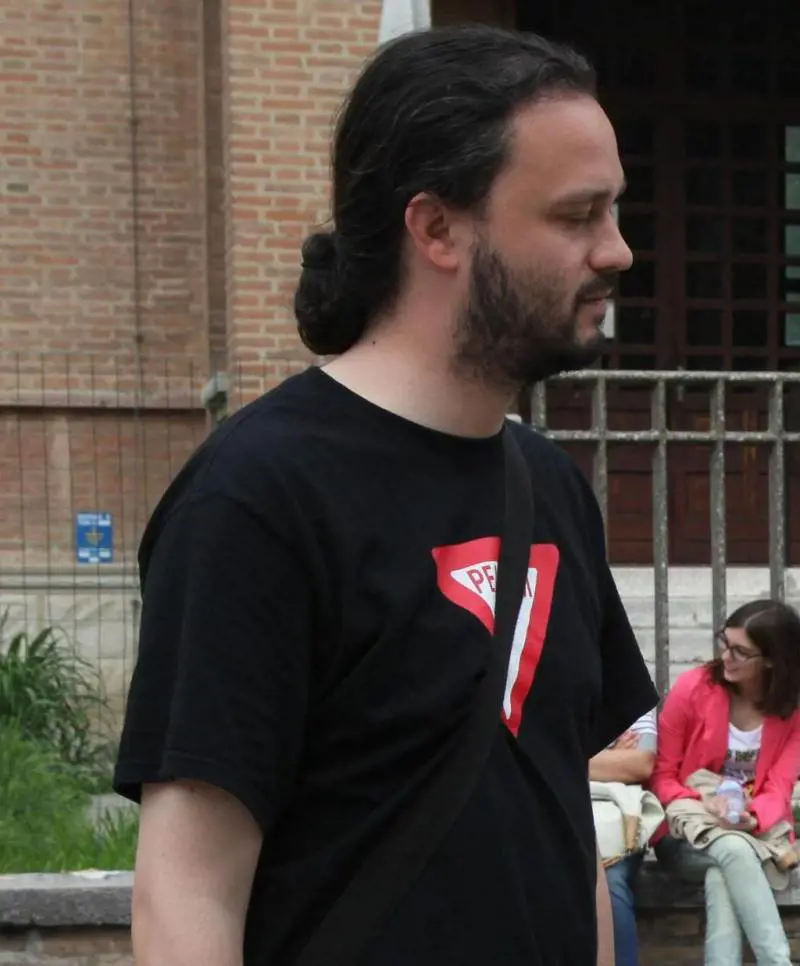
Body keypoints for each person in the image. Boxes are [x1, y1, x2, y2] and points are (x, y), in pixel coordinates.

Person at [114, 24, 657, 966]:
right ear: (436, 228)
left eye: (613, 211)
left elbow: (557, 820)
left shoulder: (550, 489)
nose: (617, 252)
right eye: (577, 216)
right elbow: (187, 894)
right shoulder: (259, 496)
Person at [651, 600, 800, 966]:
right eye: (725, 643)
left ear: (771, 660)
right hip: (685, 834)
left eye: (740, 652)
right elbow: (662, 776)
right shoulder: (693, 689)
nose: (725, 657)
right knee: (733, 850)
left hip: (755, 835)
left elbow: (779, 788)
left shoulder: (792, 709)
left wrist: (752, 817)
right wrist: (704, 802)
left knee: (725, 870)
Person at [590, 709, 657, 966]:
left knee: (610, 884)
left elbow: (642, 763)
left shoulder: (625, 691)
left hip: (616, 827)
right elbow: (539, 758)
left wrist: (578, 759)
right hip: (552, 817)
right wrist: (611, 759)